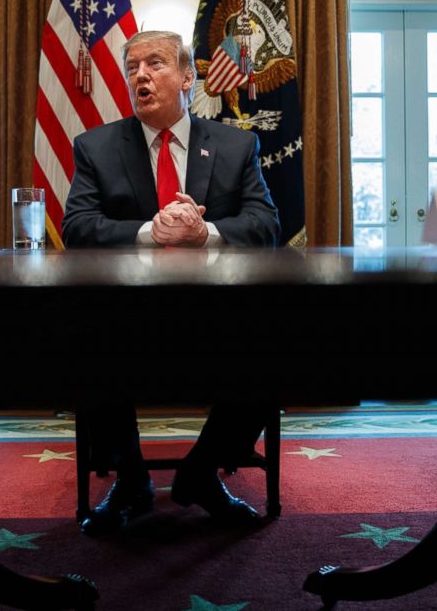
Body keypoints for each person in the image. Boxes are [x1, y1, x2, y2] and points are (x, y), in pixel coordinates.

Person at [62, 30, 280, 535]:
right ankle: (132, 480)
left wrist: (207, 233)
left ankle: (202, 473)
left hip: (216, 312)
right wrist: (147, 231)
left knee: (275, 346)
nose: (140, 74)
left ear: (188, 77)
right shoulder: (96, 147)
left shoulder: (236, 144)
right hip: (125, 315)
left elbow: (266, 223)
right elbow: (77, 227)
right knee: (83, 340)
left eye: (155, 64)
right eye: (132, 67)